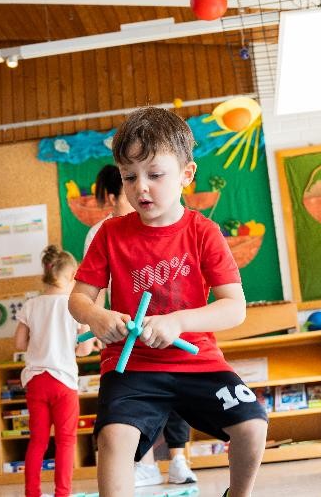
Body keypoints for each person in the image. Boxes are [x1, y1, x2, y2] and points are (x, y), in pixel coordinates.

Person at [69, 107, 267, 497]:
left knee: (253, 425)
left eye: (155, 175)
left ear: (187, 175)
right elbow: (78, 299)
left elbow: (233, 307)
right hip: (132, 366)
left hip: (198, 361)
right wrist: (95, 314)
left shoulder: (204, 232)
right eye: (129, 177)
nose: (141, 187)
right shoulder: (110, 234)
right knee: (113, 441)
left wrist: (177, 322)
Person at [84, 163, 198, 487]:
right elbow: (94, 289)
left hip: (166, 325)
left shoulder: (171, 222)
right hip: (126, 333)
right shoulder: (102, 232)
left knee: (177, 392)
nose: (138, 193)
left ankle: (178, 458)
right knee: (134, 403)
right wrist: (96, 325)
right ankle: (144, 463)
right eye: (129, 183)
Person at [14, 246, 94, 497]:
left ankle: (32, 493)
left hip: (37, 380)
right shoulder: (75, 307)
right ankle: (62, 493)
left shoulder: (31, 305)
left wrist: (40, 345)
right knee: (66, 440)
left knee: (37, 440)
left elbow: (18, 344)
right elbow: (84, 350)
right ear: (72, 277)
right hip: (64, 382)